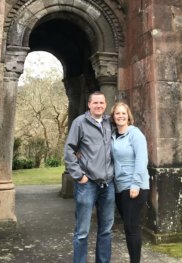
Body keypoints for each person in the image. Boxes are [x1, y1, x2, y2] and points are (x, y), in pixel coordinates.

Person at [64, 91, 115, 263]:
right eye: (95, 103)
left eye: (101, 103)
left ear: (105, 104)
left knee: (106, 230)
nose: (99, 105)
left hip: (108, 185)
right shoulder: (80, 122)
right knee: (82, 232)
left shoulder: (110, 122)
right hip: (87, 184)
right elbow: (69, 150)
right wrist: (79, 176)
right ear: (89, 104)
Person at [110, 102, 150, 263]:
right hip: (120, 187)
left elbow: (141, 160)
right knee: (128, 227)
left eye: (123, 113)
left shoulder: (135, 134)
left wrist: (135, 184)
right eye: (117, 113)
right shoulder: (113, 135)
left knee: (132, 227)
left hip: (135, 186)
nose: (120, 116)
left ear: (128, 116)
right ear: (113, 117)